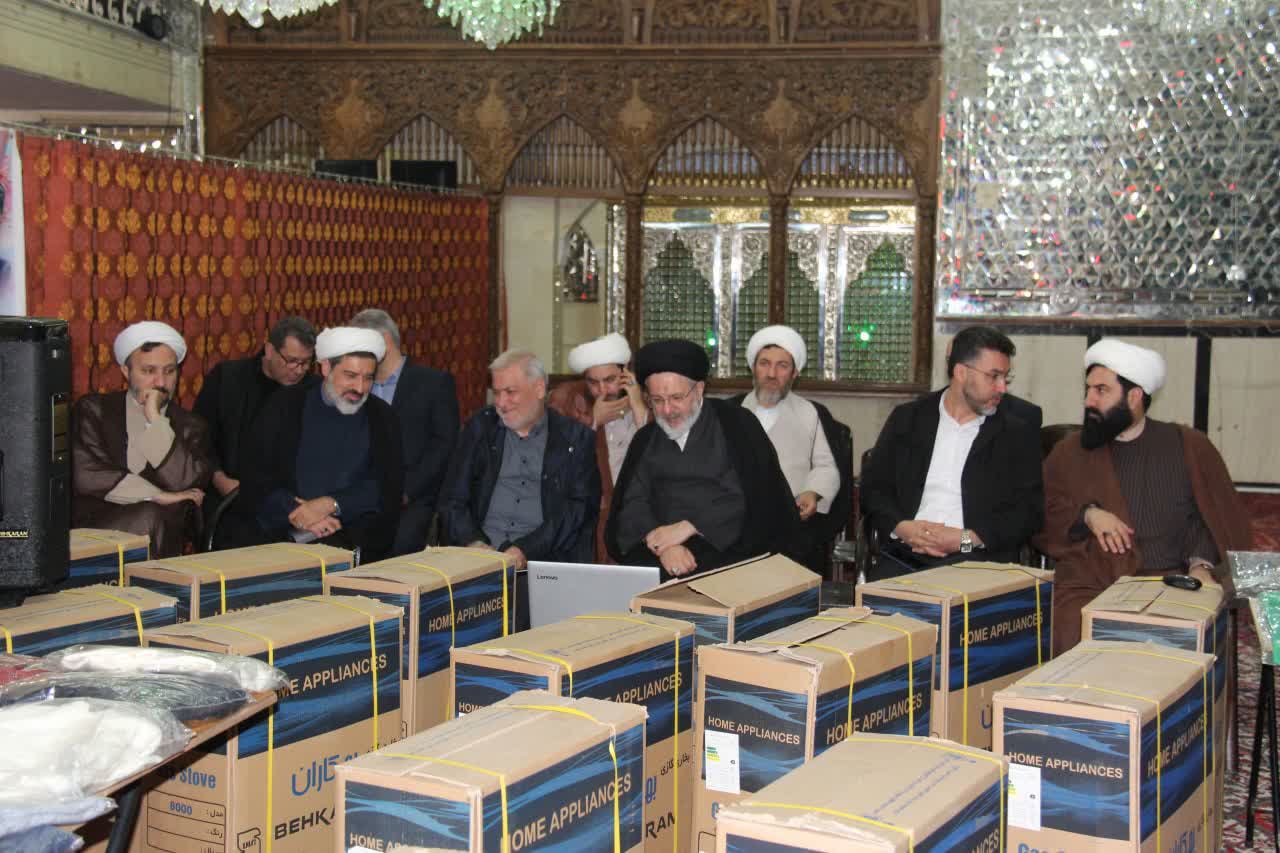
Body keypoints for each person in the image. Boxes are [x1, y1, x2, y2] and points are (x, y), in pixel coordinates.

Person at [1039, 339, 1253, 652]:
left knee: (1196, 629)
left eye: (1101, 390)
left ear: (1134, 396)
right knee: (1071, 624)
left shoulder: (1189, 446)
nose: (1088, 400)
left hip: (1172, 581)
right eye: (1088, 389)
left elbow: (1211, 519)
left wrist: (1201, 565)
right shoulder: (1068, 453)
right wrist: (1087, 515)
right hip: (1093, 582)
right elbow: (1039, 514)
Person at [606, 339, 800, 579]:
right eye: (656, 400)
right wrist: (664, 545)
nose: (667, 410)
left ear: (699, 389)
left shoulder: (737, 425)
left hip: (728, 550)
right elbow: (633, 502)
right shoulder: (646, 439)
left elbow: (753, 497)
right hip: (660, 553)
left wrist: (690, 526)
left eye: (676, 397)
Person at [860, 326, 1043, 577]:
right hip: (906, 551)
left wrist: (965, 539)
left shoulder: (1015, 432)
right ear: (961, 372)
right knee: (883, 595)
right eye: (994, 376)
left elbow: (1028, 512)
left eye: (1005, 378)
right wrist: (902, 528)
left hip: (974, 556)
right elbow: (873, 488)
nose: (1002, 388)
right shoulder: (908, 419)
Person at [225, 327, 404, 561]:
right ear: (326, 367)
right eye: (350, 375)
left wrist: (332, 504)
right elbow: (255, 473)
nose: (360, 388)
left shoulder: (382, 417)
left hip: (351, 537)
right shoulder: (285, 405)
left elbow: (386, 486)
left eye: (368, 377)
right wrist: (296, 512)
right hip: (279, 531)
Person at [438, 350, 600, 569]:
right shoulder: (481, 429)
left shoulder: (575, 439)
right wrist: (473, 543)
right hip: (477, 559)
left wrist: (525, 549)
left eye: (510, 392)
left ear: (539, 389)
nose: (501, 403)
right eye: (496, 393)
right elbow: (452, 498)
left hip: (543, 561)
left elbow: (578, 510)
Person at [71, 322, 212, 557]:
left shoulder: (191, 426)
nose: (160, 383)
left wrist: (155, 419)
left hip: (162, 535)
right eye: (149, 371)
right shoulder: (94, 410)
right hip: (94, 527)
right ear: (126, 371)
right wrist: (157, 496)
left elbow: (185, 481)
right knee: (148, 513)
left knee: (151, 516)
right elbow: (85, 474)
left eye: (169, 371)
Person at [729, 325, 845, 572]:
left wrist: (812, 492)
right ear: (753, 368)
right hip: (734, 522)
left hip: (791, 523)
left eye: (782, 366)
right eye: (764, 364)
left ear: (794, 373)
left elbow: (826, 466)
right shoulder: (729, 412)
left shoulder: (811, 413)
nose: (772, 374)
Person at [193, 316, 317, 545]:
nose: (299, 370)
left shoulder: (312, 390)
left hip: (291, 500)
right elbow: (199, 439)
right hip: (229, 495)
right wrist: (219, 478)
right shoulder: (227, 379)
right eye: (291, 361)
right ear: (269, 350)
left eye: (306, 362)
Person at [349, 309, 459, 555]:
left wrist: (406, 491)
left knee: (396, 549)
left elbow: (444, 446)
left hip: (414, 498)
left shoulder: (433, 383)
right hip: (361, 495)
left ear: (385, 341)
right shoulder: (355, 386)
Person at [547, 332, 648, 561]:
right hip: (592, 513)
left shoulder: (649, 398)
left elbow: (659, 456)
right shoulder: (569, 403)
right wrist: (593, 423)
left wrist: (638, 406)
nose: (602, 390)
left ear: (625, 373)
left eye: (610, 380)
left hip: (638, 509)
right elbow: (558, 468)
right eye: (593, 382)